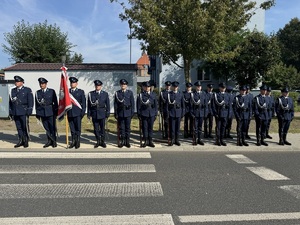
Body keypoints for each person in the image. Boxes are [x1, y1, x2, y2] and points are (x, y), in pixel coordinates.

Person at [9, 75, 34, 148]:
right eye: (16, 81)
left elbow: (30, 101)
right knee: (18, 127)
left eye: (18, 81)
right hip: (15, 111)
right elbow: (10, 102)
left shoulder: (27, 90)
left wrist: (30, 110)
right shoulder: (13, 90)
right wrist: (10, 111)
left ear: (22, 82)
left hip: (24, 111)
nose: (16, 83)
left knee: (24, 126)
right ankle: (20, 140)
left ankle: (26, 140)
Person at [35, 77, 58, 148]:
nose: (41, 85)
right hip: (42, 112)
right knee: (46, 128)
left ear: (46, 84)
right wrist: (38, 114)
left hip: (50, 112)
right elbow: (37, 104)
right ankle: (49, 141)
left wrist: (56, 111)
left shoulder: (51, 91)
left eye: (43, 84)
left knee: (52, 127)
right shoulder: (37, 92)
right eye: (40, 84)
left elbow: (55, 102)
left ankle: (54, 141)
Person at [87, 80, 110, 148]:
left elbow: (107, 104)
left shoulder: (105, 94)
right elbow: (89, 105)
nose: (98, 87)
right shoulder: (91, 94)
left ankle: (102, 141)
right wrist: (89, 114)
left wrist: (107, 113)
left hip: (102, 113)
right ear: (95, 86)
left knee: (102, 128)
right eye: (96, 86)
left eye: (99, 86)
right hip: (94, 113)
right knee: (96, 129)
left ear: (101, 86)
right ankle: (98, 141)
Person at [114, 79, 135, 148]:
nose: (123, 85)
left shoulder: (130, 93)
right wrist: (116, 113)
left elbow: (132, 103)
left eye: (124, 84)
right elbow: (115, 104)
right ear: (120, 85)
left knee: (127, 128)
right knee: (122, 128)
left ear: (126, 85)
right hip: (120, 113)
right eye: (122, 84)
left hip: (128, 112)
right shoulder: (117, 93)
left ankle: (127, 141)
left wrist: (132, 112)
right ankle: (122, 141)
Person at [137, 81, 158, 148]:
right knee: (145, 128)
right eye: (145, 87)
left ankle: (150, 141)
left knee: (150, 128)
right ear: (143, 87)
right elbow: (138, 106)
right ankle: (145, 141)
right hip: (144, 113)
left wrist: (155, 114)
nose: (147, 88)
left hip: (151, 113)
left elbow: (155, 105)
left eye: (148, 87)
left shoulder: (153, 94)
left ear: (150, 87)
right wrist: (139, 114)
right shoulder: (140, 95)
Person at [67, 77, 86, 149]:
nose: (72, 84)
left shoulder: (80, 92)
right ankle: (73, 141)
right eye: (71, 83)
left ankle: (78, 141)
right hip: (70, 113)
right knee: (72, 129)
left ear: (76, 84)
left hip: (77, 113)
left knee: (78, 128)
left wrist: (83, 112)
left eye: (74, 82)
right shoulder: (67, 91)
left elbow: (83, 102)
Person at [167, 81, 185, 146]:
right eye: (174, 87)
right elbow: (167, 105)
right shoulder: (169, 94)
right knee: (172, 128)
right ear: (172, 87)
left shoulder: (180, 94)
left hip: (178, 113)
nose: (175, 88)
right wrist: (168, 113)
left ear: (178, 87)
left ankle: (177, 140)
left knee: (177, 128)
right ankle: (172, 139)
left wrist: (182, 113)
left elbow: (183, 105)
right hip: (171, 113)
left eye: (176, 87)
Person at [190, 81, 207, 145]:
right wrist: (192, 113)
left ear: (201, 87)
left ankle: (199, 139)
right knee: (195, 128)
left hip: (201, 113)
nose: (198, 87)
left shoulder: (204, 94)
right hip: (195, 113)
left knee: (200, 127)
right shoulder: (193, 94)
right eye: (197, 86)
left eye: (199, 86)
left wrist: (205, 113)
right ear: (195, 87)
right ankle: (195, 140)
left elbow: (205, 105)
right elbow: (191, 105)